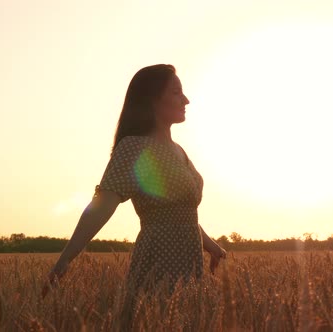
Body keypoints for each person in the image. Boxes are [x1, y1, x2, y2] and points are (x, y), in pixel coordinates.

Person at [43, 64, 227, 309]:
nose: (186, 99)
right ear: (152, 99)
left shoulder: (178, 150)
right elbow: (101, 207)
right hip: (159, 261)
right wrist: (63, 262)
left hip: (190, 264)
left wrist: (211, 246)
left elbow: (179, 211)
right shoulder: (134, 148)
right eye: (176, 92)